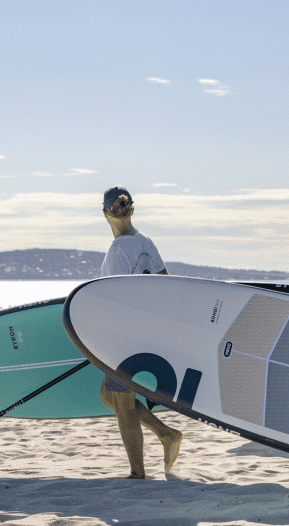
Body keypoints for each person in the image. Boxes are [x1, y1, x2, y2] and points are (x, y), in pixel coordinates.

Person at [97, 186, 183, 478]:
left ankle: (137, 473)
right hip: (147, 329)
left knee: (122, 403)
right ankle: (166, 433)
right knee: (108, 395)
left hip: (125, 334)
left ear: (106, 214)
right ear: (131, 210)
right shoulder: (145, 241)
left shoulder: (118, 250)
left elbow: (116, 297)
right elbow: (165, 283)